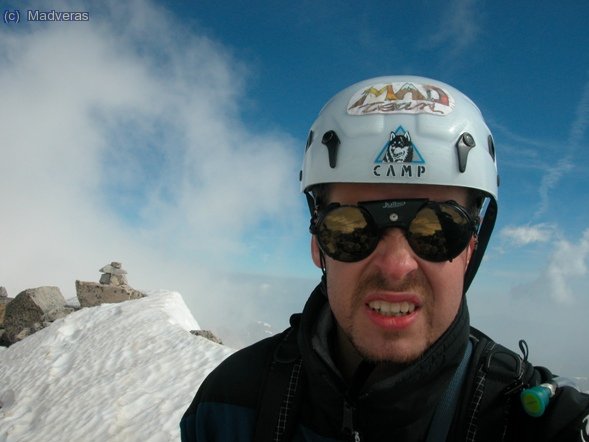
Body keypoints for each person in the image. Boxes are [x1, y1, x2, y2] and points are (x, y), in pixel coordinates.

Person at [180, 76, 589, 441]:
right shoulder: (228, 405)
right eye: (350, 229)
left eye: (439, 228)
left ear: (470, 247)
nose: (396, 266)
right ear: (318, 244)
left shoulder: (529, 421)